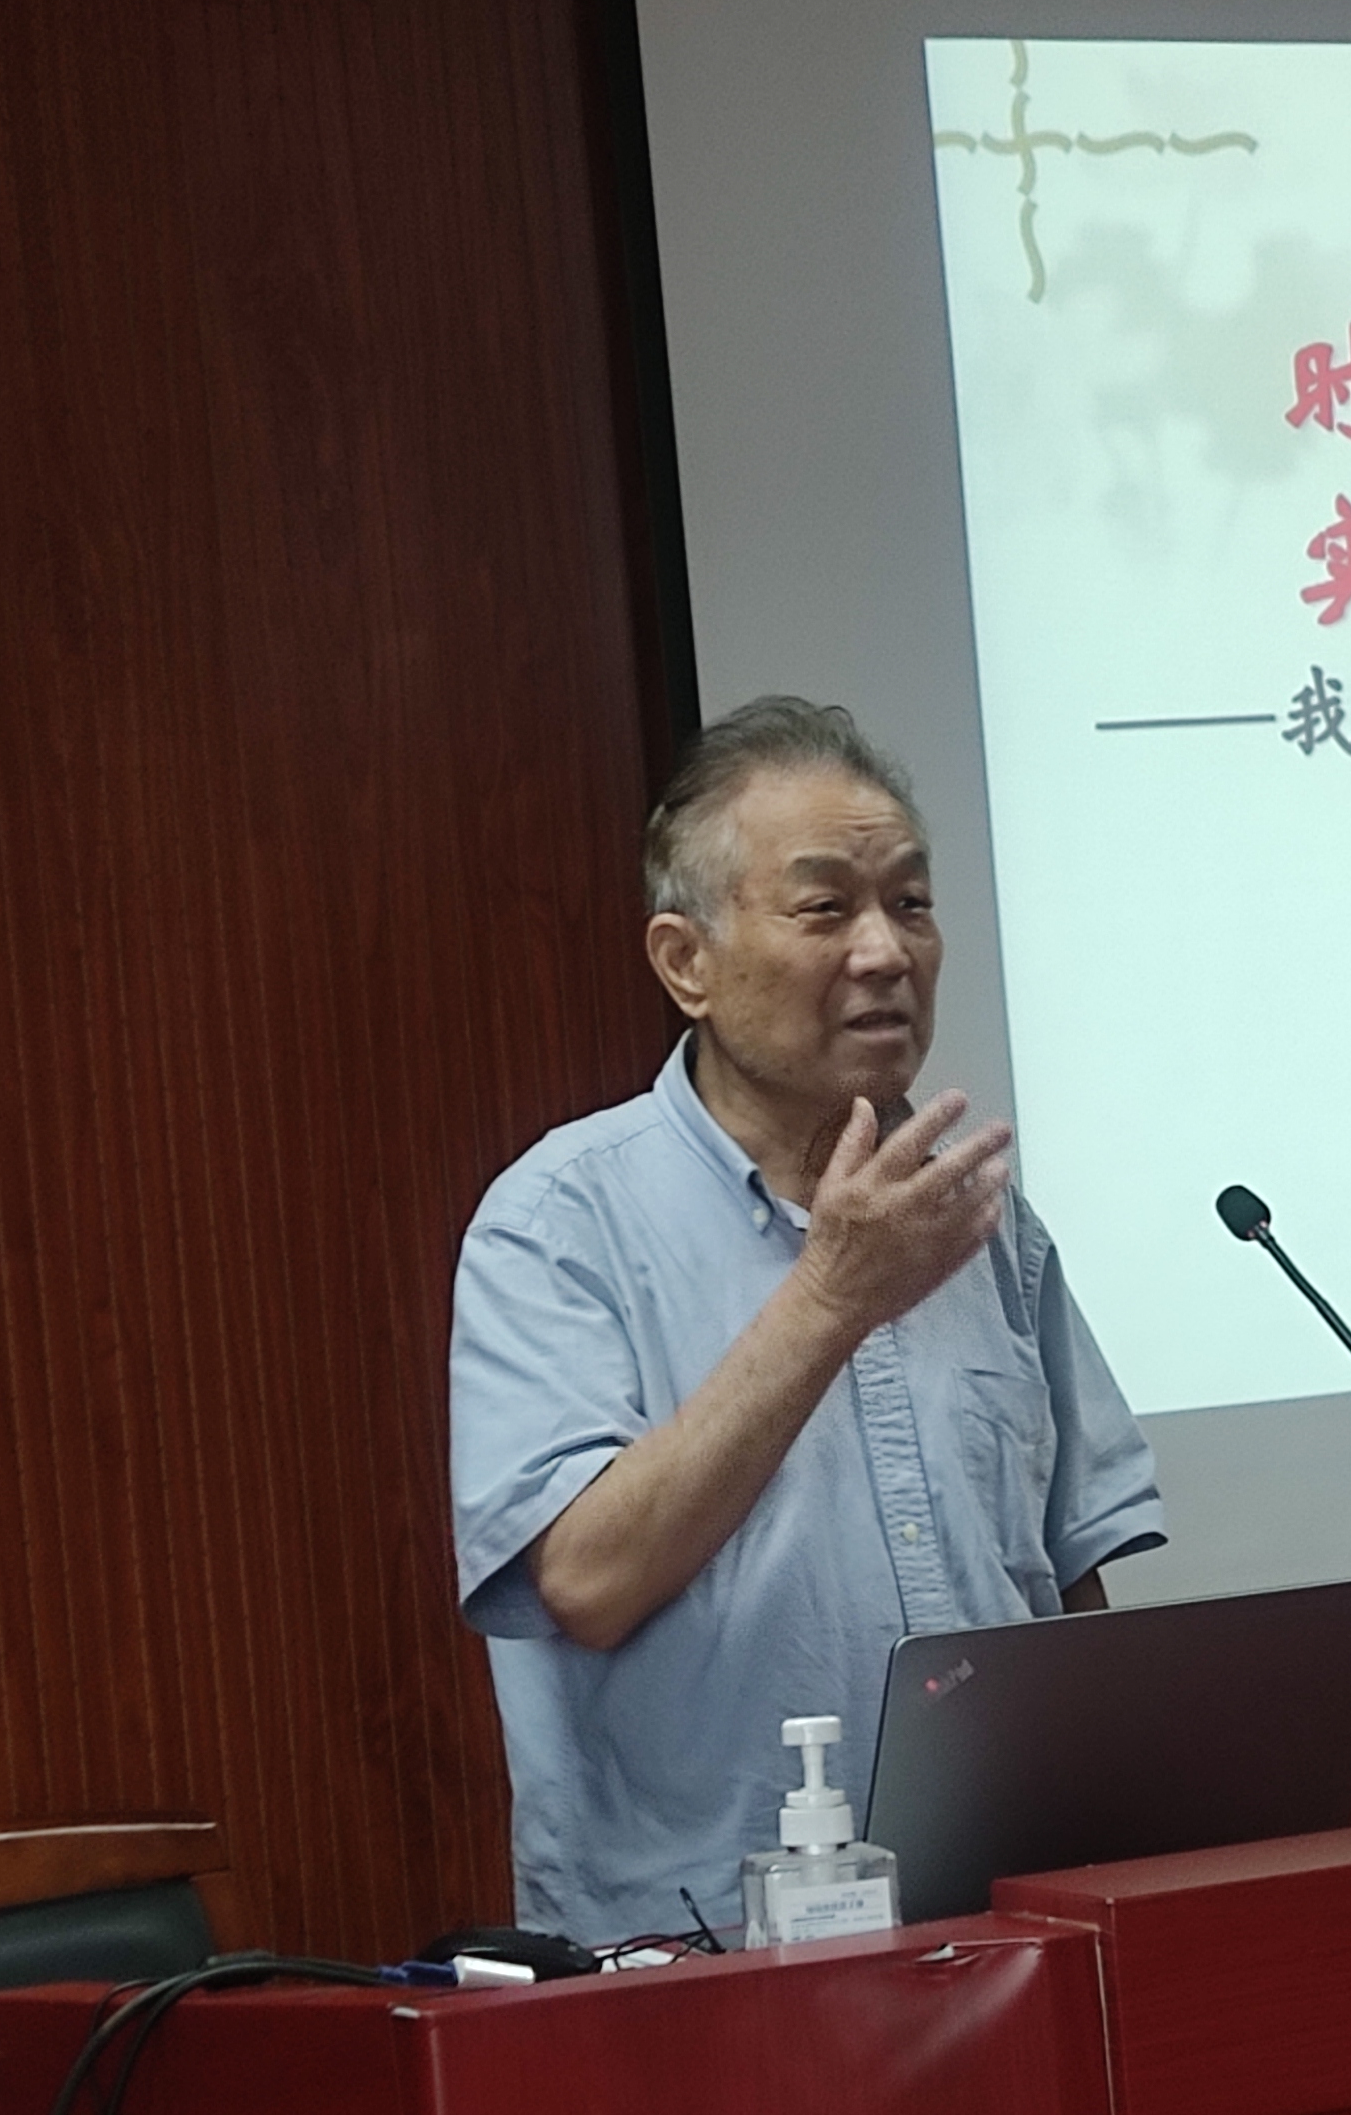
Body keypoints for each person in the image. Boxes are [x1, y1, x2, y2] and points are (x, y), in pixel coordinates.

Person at [448, 697, 1164, 1944]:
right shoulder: (558, 1221)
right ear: (686, 962)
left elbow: (1066, 1582)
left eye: (912, 903)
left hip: (1002, 1932)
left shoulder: (981, 1219)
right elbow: (586, 1580)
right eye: (826, 909)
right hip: (697, 1955)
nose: (885, 952)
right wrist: (833, 1294)